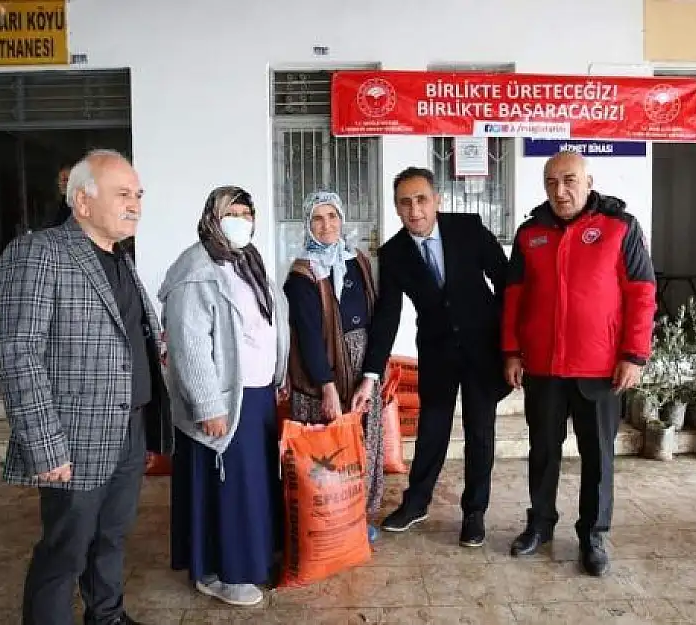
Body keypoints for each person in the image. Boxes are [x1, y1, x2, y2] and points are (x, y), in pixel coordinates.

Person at [0, 149, 172, 625]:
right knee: (65, 548)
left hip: (129, 427)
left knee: (111, 536)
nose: (134, 204)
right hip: (74, 433)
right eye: (122, 194)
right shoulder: (39, 252)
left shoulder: (120, 258)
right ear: (82, 202)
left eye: (138, 195)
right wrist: (44, 447)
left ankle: (107, 616)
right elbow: (17, 354)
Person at [501, 151, 656, 577]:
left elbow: (642, 293)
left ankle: (593, 534)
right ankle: (541, 524)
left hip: (600, 367)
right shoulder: (530, 232)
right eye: (551, 182)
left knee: (598, 456)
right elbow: (514, 298)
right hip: (543, 367)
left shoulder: (619, 227)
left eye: (569, 180)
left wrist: (634, 354)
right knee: (543, 450)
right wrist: (512, 351)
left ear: (589, 181)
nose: (560, 190)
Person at [351, 167, 510, 549]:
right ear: (396, 208)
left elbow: (506, 282)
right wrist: (371, 373)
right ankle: (416, 502)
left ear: (436, 200)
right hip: (437, 353)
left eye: (422, 199)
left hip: (482, 349)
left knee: (480, 432)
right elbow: (388, 316)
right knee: (432, 431)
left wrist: (512, 347)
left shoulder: (467, 229)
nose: (415, 210)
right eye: (405, 203)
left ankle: (474, 512)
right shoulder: (393, 253)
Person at [159, 185, 289, 608]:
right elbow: (189, 344)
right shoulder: (195, 268)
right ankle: (223, 573)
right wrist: (207, 405)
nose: (241, 220)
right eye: (232, 212)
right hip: (224, 401)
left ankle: (253, 559)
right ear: (212, 216)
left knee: (254, 486)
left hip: (259, 397)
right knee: (230, 488)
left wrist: (279, 375)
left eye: (247, 213)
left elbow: (266, 327)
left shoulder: (248, 262)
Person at [282, 190, 384, 543]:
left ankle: (356, 516)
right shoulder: (303, 274)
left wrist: (370, 374)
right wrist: (327, 388)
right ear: (307, 225)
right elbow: (309, 336)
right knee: (328, 451)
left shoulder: (357, 260)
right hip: (323, 370)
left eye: (332, 216)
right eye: (317, 218)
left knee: (362, 445)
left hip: (362, 367)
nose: (326, 225)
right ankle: (325, 520)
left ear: (342, 220)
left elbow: (374, 315)